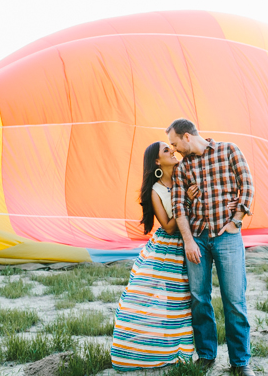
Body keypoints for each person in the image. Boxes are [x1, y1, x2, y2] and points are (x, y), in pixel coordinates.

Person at [111, 141, 238, 371]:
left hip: (195, 240)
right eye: (166, 150)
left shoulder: (185, 175)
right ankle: (163, 348)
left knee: (188, 301)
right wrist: (186, 201)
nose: (173, 151)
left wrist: (230, 203)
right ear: (157, 161)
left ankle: (189, 350)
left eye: (172, 147)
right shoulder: (155, 191)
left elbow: (210, 194)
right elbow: (169, 227)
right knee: (169, 300)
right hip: (169, 248)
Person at [166, 118, 255, 376]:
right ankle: (206, 355)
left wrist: (236, 221)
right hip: (198, 239)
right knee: (199, 299)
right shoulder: (183, 168)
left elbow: (247, 186)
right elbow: (178, 206)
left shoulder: (229, 150)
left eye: (174, 143)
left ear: (186, 136)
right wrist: (189, 240)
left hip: (226, 236)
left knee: (234, 299)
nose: (174, 150)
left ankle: (240, 362)